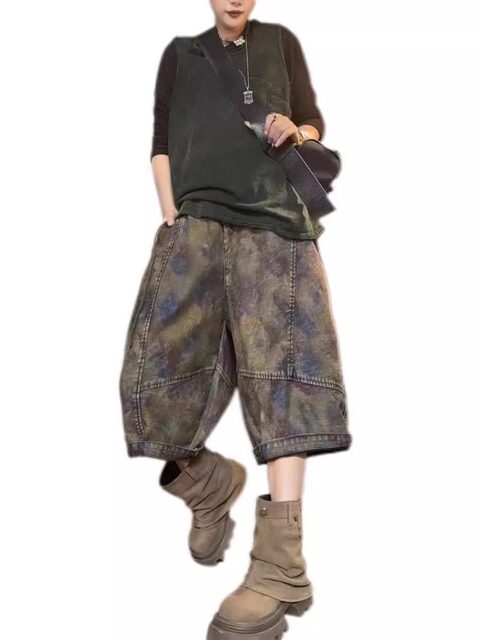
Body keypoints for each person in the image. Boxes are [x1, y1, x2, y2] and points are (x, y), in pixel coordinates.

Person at [118, 1, 352, 638]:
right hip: (194, 226)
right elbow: (162, 143)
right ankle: (206, 483)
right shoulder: (182, 54)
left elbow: (313, 121)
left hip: (275, 225)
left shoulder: (280, 42)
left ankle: (280, 565)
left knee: (285, 378)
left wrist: (295, 130)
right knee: (150, 375)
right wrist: (172, 216)